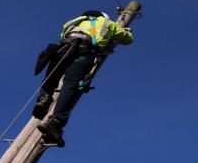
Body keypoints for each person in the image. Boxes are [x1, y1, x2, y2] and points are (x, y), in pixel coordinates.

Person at [34, 10, 134, 147]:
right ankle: (55, 122)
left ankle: (44, 98)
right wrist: (126, 32)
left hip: (62, 49)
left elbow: (63, 34)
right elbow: (128, 39)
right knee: (71, 85)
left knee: (51, 78)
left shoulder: (73, 21)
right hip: (84, 52)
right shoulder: (108, 23)